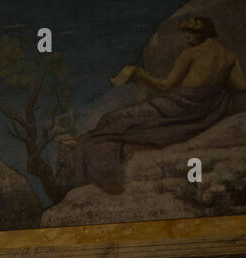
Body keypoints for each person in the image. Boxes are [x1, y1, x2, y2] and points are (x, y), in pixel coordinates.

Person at [61, 17, 246, 194]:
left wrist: (139, 74)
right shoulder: (230, 57)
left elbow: (164, 86)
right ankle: (87, 139)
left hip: (179, 104)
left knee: (115, 118)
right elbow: (241, 86)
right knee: (123, 118)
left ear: (203, 32)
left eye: (190, 33)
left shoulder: (190, 53)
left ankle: (86, 141)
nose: (186, 37)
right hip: (207, 107)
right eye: (186, 33)